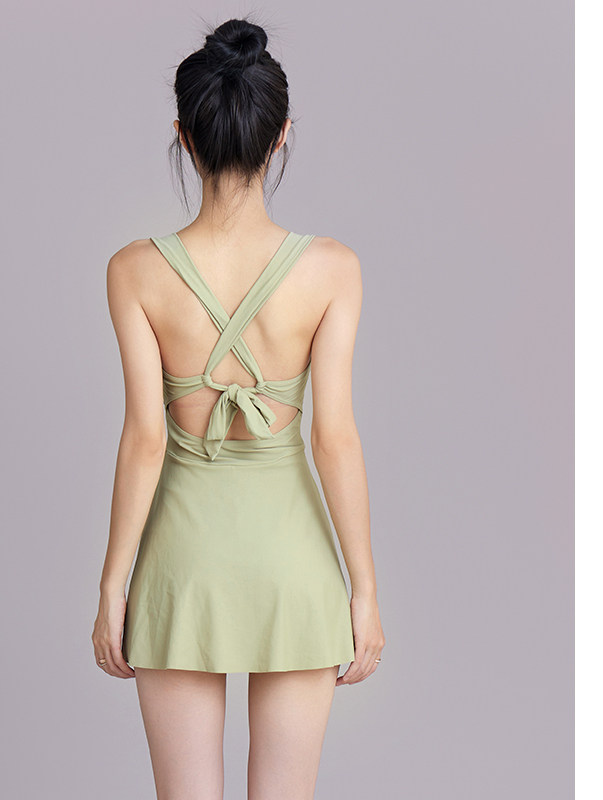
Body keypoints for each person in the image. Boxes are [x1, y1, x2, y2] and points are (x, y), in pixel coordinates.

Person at [92, 16, 385, 800]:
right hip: (293, 565)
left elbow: (146, 440)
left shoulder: (134, 271)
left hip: (181, 566)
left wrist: (113, 586)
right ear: (281, 135)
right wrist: (364, 590)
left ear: (184, 137)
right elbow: (335, 438)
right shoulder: (333, 269)